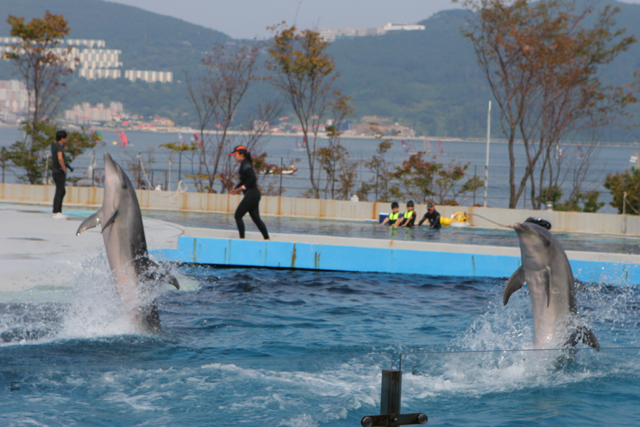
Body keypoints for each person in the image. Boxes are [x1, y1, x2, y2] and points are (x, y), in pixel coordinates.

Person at [229, 145, 270, 240]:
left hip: (252, 194)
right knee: (256, 218)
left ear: (242, 154)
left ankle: (242, 240)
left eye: (235, 154)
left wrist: (242, 187)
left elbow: (253, 178)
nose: (234, 157)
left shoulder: (245, 164)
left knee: (238, 215)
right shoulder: (244, 164)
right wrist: (236, 188)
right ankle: (267, 239)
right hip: (253, 194)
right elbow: (245, 180)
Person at [51, 130, 73, 219]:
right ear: (62, 138)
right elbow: (60, 158)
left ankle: (58, 211)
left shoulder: (54, 145)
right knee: (60, 191)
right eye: (66, 138)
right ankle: (56, 212)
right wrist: (64, 168)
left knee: (61, 191)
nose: (67, 139)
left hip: (55, 171)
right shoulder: (59, 147)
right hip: (59, 172)